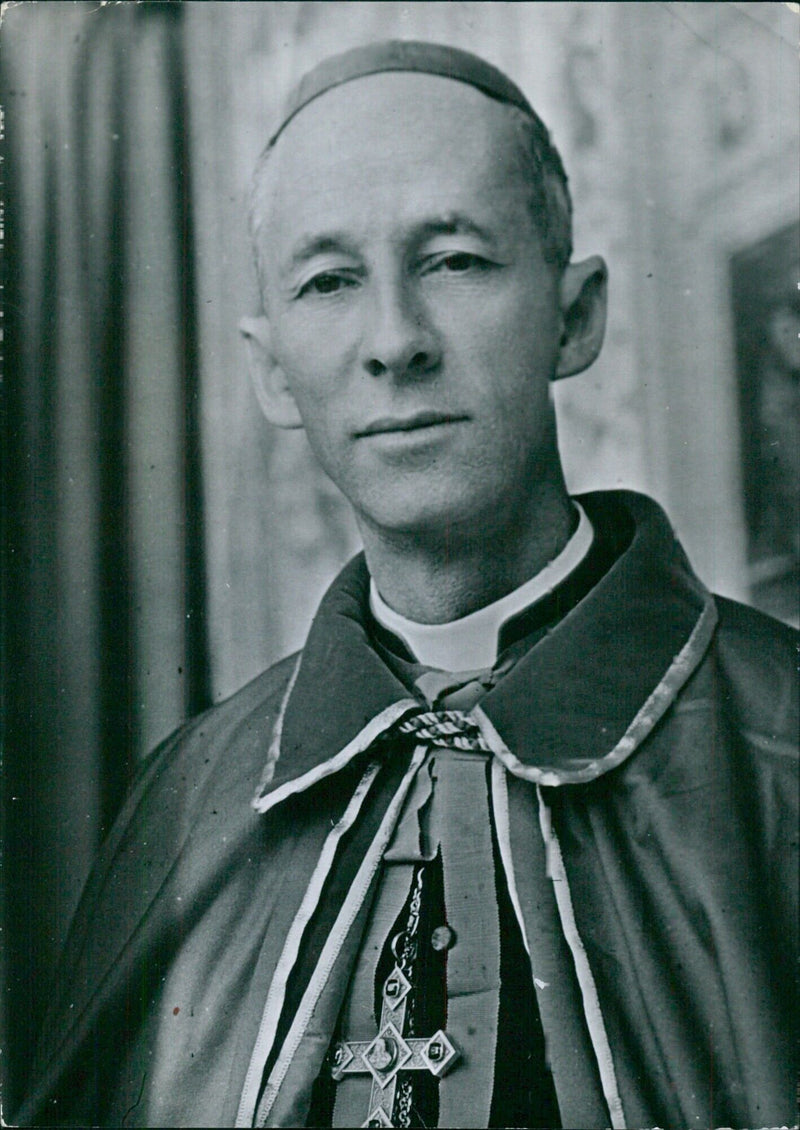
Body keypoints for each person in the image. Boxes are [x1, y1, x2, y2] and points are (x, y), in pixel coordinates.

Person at [16, 41, 797, 1130]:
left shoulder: (780, 735)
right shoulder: (187, 799)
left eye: (454, 261)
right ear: (271, 368)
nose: (394, 341)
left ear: (572, 316)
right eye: (329, 281)